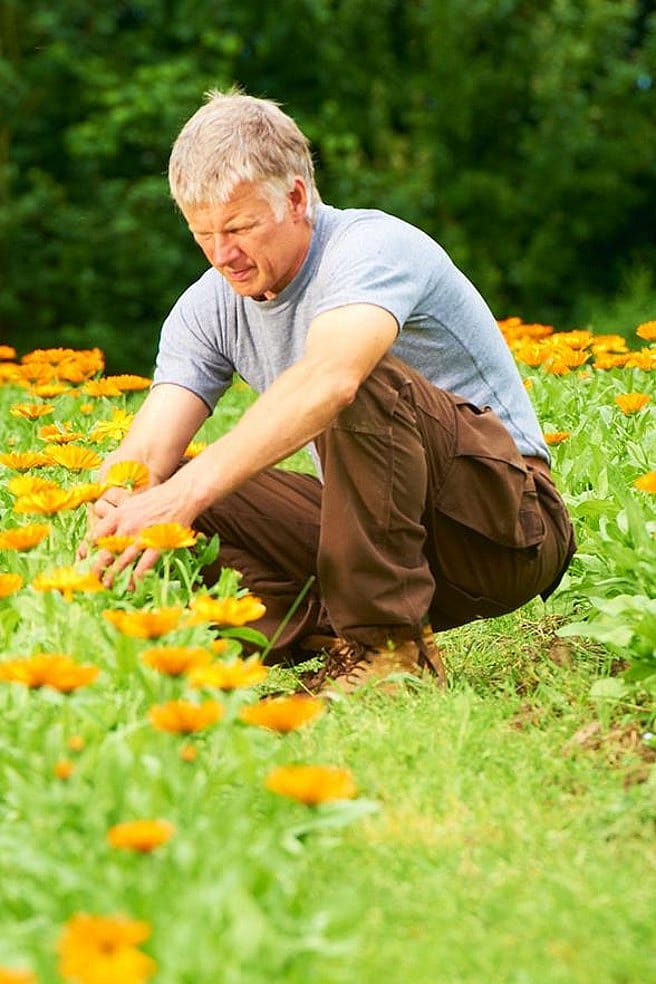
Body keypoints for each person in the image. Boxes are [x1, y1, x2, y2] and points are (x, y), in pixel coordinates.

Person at [80, 88, 576, 693]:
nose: (222, 255)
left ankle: (389, 650)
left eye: (239, 227)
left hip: (503, 532)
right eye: (202, 233)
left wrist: (175, 496)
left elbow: (332, 381)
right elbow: (145, 454)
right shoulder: (206, 308)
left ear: (295, 198)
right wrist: (120, 507)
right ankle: (318, 637)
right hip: (388, 544)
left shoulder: (372, 248)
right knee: (170, 487)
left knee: (352, 381)